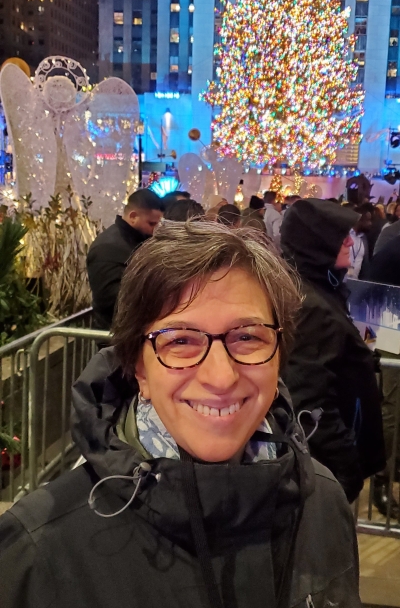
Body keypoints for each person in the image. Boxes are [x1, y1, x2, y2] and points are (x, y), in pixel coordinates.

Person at [0, 221, 361, 608]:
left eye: (247, 337)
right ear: (140, 369)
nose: (221, 377)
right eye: (181, 341)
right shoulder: (38, 552)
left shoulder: (322, 502)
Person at [281, 199, 385, 504]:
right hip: (327, 464)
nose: (350, 242)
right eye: (341, 236)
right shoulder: (310, 305)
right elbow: (310, 399)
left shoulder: (319, 287)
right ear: (318, 243)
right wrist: (346, 465)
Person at [87, 189, 163, 330]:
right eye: (151, 224)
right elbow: (109, 300)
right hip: (115, 333)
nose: (154, 230)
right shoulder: (107, 247)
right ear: (133, 216)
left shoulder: (135, 241)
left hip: (129, 329)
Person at [347, 205, 372, 280]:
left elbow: (365, 265)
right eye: (368, 220)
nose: (370, 223)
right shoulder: (343, 235)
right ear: (359, 220)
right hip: (339, 283)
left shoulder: (363, 238)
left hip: (355, 283)